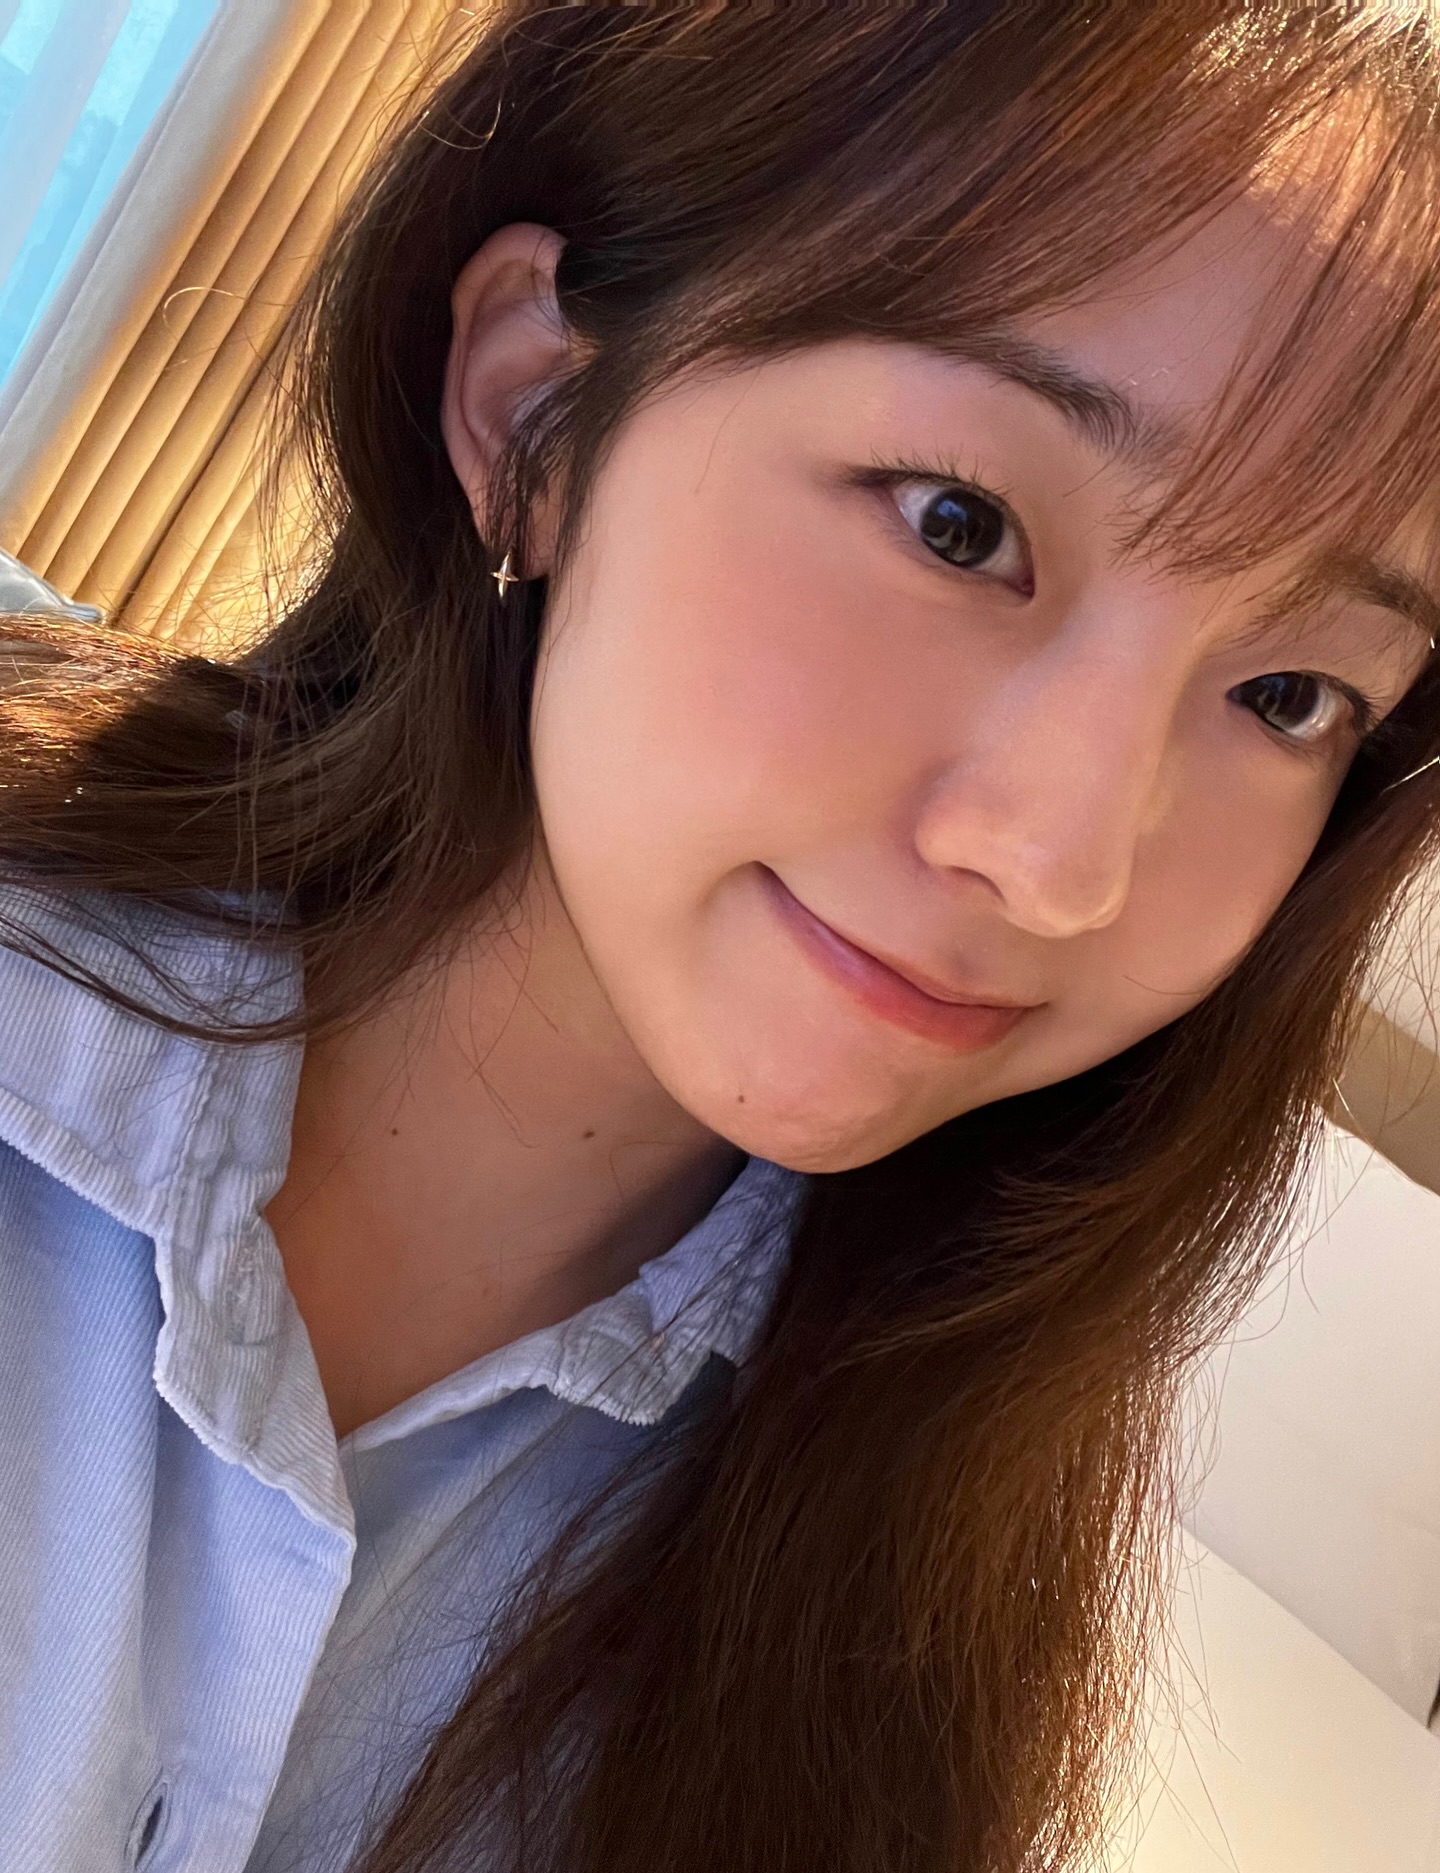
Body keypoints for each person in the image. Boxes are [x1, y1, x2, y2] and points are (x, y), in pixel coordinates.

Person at [1, 2, 1439, 1869]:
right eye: (959, 522)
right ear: (534, 411)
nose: (1062, 862)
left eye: (1289, 697)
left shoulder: (902, 1644)